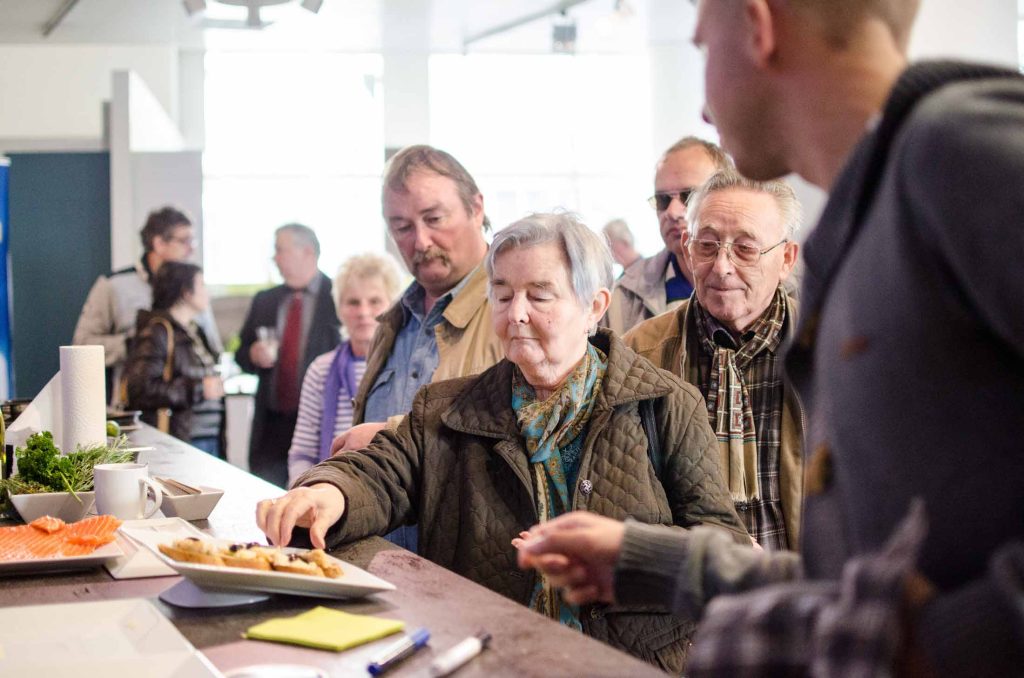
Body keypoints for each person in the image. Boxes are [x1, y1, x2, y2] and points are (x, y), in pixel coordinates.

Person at [519, 0, 1024, 675]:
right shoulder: (868, 222)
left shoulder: (954, 149)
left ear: (758, 28)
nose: (702, 108)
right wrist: (648, 559)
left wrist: (943, 643)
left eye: (702, 48)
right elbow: (849, 589)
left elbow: (906, 628)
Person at [257, 213, 748, 673]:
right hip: (488, 658)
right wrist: (326, 492)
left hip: (632, 662)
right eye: (502, 293)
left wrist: (628, 556)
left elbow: (720, 543)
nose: (515, 314)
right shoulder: (448, 408)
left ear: (594, 306)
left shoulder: (666, 405)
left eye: (539, 295)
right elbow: (380, 471)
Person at [328, 145, 506, 552]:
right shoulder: (392, 323)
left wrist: (392, 436)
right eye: (402, 227)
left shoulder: (511, 311)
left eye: (434, 219)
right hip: (382, 565)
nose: (421, 241)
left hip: (470, 573)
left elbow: (522, 443)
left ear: (476, 207)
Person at [624, 170, 803, 551]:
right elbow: (624, 497)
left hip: (808, 593)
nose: (722, 267)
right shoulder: (639, 355)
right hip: (684, 592)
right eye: (707, 245)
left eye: (745, 249)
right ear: (688, 249)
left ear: (786, 258)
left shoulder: (831, 350)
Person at [73, 206, 222, 405]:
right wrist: (138, 343)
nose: (192, 248)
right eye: (185, 241)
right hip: (137, 410)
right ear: (159, 243)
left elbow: (214, 348)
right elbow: (82, 347)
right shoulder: (114, 285)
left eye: (193, 241)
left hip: (195, 416)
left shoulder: (194, 289)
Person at [236, 224, 340, 487]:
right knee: (265, 501)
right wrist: (252, 354)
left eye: (279, 250)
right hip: (270, 428)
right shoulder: (265, 300)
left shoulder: (339, 297)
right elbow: (241, 355)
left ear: (306, 252)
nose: (275, 258)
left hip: (319, 426)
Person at [286, 253, 403, 486]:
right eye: (353, 302)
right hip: (328, 492)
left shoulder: (408, 366)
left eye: (375, 301)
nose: (363, 312)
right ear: (339, 308)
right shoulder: (321, 369)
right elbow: (302, 453)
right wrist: (307, 493)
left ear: (393, 305)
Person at [604, 137, 730, 335]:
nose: (672, 212)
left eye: (689, 196)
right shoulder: (624, 297)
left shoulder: (785, 289)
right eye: (663, 199)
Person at [124, 262, 225, 454]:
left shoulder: (196, 330)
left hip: (206, 436)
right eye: (202, 285)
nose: (207, 292)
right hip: (180, 440)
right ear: (186, 291)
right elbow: (140, 389)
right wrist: (199, 388)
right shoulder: (158, 331)